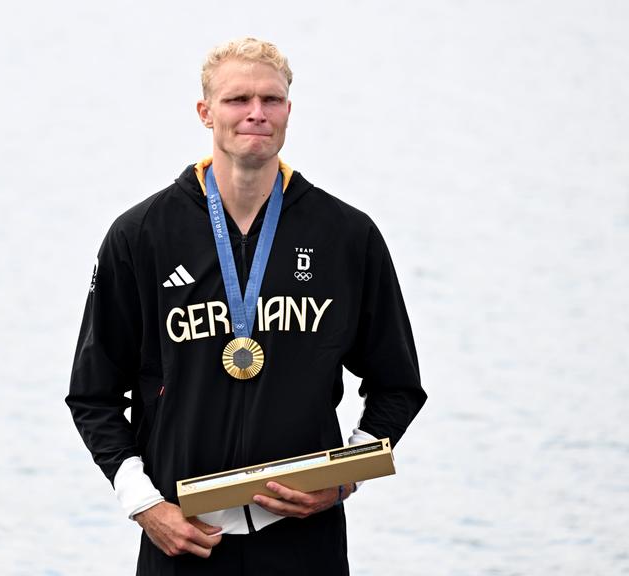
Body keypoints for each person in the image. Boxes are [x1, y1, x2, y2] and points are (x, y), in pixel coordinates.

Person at [66, 37, 426, 575]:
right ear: (205, 111)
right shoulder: (141, 234)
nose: (256, 113)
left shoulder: (345, 235)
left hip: (305, 537)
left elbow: (398, 386)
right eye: (238, 100)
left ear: (288, 111)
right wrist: (144, 506)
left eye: (271, 100)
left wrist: (346, 475)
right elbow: (93, 393)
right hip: (184, 538)